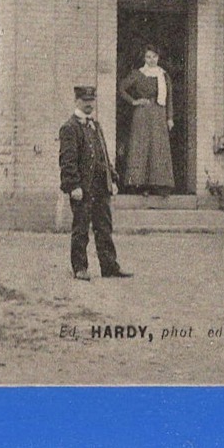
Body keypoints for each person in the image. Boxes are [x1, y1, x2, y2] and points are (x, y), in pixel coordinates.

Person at [57, 85, 131, 281]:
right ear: (77, 101)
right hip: (82, 188)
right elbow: (67, 161)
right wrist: (73, 186)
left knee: (104, 228)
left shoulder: (96, 126)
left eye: (92, 101)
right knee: (81, 228)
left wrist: (112, 178)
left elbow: (104, 156)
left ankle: (109, 266)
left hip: (100, 187)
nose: (89, 105)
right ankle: (80, 267)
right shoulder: (69, 128)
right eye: (85, 101)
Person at [118, 45, 175, 196]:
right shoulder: (138, 74)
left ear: (158, 58)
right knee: (141, 147)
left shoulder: (163, 75)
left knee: (158, 147)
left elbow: (169, 98)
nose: (151, 60)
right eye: (148, 57)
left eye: (154, 57)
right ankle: (140, 185)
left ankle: (158, 185)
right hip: (142, 114)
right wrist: (134, 101)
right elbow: (122, 88)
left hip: (159, 114)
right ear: (144, 58)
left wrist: (170, 117)